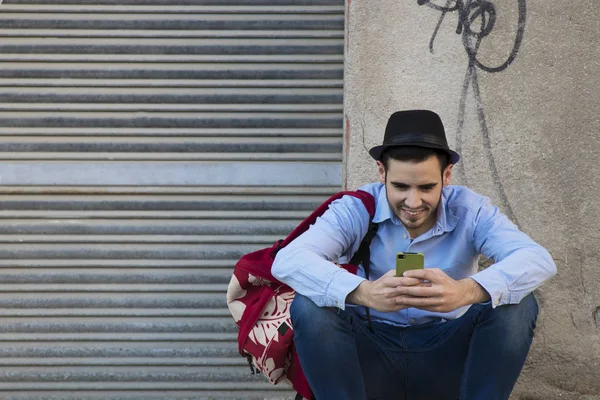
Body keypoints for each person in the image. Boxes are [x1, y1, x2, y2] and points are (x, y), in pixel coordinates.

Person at [271, 110, 556, 400]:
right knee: (309, 305)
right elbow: (288, 260)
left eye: (427, 187)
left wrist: (467, 292)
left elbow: (537, 259)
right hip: (370, 355)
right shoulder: (356, 208)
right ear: (382, 173)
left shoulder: (471, 210)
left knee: (518, 304)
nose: (413, 201)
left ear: (446, 176)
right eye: (400, 186)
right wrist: (363, 293)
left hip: (447, 356)